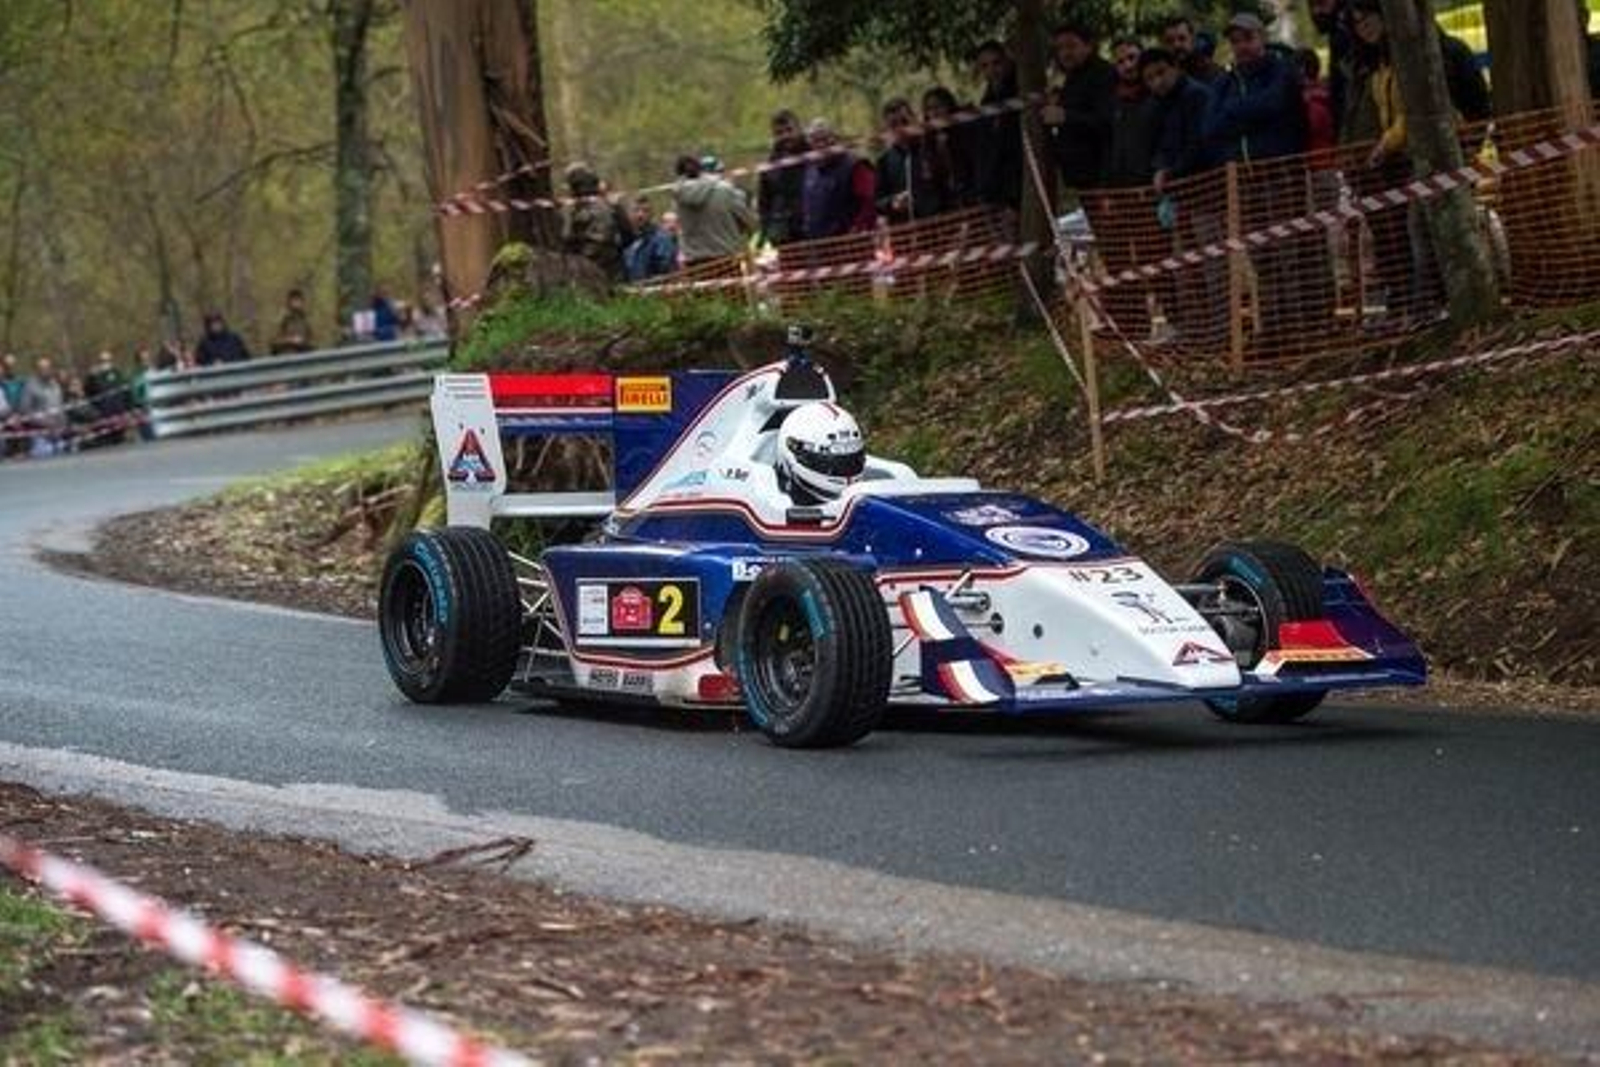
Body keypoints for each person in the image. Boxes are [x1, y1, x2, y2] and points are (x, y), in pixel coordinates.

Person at [1207, 12, 1329, 352]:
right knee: (1261, 256)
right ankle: (1272, 327)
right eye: (1235, 41)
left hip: (1281, 173)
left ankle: (1297, 328)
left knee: (1288, 251)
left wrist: (1235, 112)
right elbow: (1211, 127)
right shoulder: (1225, 82)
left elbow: (1274, 105)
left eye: (1247, 38)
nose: (1241, 46)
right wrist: (1244, 114)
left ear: (1260, 38)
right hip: (1244, 180)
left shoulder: (1281, 71)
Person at [1091, 36, 1162, 338]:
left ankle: (1174, 321)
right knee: (1121, 260)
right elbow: (1108, 148)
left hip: (1153, 190)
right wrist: (1107, 191)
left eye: (1132, 58)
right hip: (1119, 194)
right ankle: (1132, 324)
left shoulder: (1156, 95)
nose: (1127, 65)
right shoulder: (1112, 102)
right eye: (1120, 61)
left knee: (1157, 259)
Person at [1043, 24, 1117, 198]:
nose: (1065, 53)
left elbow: (1106, 121)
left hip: (1102, 174)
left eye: (1071, 46)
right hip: (1080, 175)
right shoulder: (1070, 77)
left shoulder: (1103, 74)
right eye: (1060, 48)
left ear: (1088, 46)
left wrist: (1065, 116)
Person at [774, 401, 865, 506]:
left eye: (850, 460)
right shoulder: (767, 496)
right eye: (827, 463)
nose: (846, 470)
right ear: (793, 448)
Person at [672, 155, 756, 265]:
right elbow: (749, 221)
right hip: (725, 256)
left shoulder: (678, 196)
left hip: (694, 260)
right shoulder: (726, 190)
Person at [800, 121, 875, 239]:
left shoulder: (855, 165)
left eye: (825, 138)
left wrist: (858, 227)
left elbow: (869, 200)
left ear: (835, 139)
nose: (821, 144)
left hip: (852, 242)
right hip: (820, 245)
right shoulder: (810, 172)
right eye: (815, 140)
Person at [972, 41, 1023, 211]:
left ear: (1007, 61)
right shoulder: (987, 100)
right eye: (985, 66)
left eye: (996, 63)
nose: (992, 70)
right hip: (996, 185)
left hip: (1019, 180)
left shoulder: (1020, 90)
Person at [561, 162, 633, 281]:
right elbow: (629, 236)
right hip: (614, 270)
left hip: (588, 272)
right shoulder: (611, 205)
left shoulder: (573, 210)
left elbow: (567, 240)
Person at [759, 110, 808, 246]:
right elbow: (764, 203)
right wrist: (768, 230)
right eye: (779, 133)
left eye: (789, 130)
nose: (786, 136)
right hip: (785, 234)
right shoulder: (770, 166)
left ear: (799, 129)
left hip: (818, 230)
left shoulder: (816, 155)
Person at [623, 195, 679, 281]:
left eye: (645, 211)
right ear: (628, 213)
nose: (640, 215)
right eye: (636, 210)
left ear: (651, 214)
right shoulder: (626, 240)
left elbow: (665, 270)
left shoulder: (661, 238)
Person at [19, 356, 66, 457]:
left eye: (48, 368)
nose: (45, 371)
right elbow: (24, 411)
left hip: (58, 434)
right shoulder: (30, 386)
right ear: (37, 370)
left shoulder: (56, 385)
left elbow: (61, 407)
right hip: (40, 437)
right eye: (42, 368)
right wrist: (45, 423)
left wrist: (63, 424)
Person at [1161, 15, 1222, 86]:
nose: (1176, 45)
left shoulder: (1213, 74)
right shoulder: (1163, 80)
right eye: (1170, 41)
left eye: (1182, 38)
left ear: (1192, 39)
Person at [85, 350, 130, 445]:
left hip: (118, 413)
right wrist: (90, 377)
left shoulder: (117, 373)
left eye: (108, 360)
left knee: (121, 441)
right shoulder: (95, 376)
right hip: (104, 415)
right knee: (108, 442)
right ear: (99, 362)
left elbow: (125, 391)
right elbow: (89, 393)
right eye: (103, 361)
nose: (106, 363)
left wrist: (127, 409)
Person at [270, 289, 314, 354]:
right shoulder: (283, 318)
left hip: (303, 353)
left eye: (298, 300)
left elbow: (313, 340)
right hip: (286, 353)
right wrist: (289, 340)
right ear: (289, 302)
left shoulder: (306, 319)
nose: (296, 303)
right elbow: (273, 341)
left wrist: (302, 341)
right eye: (294, 300)